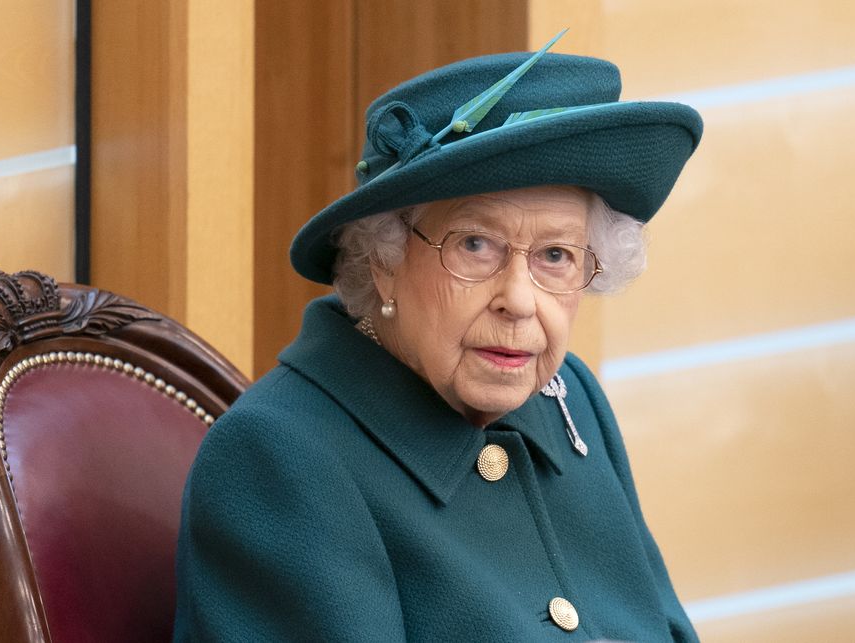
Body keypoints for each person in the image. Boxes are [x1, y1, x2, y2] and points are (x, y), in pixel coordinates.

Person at [174, 32, 703, 642]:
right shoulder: (278, 460)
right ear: (384, 259)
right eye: (475, 245)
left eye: (556, 255)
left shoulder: (569, 396)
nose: (520, 301)